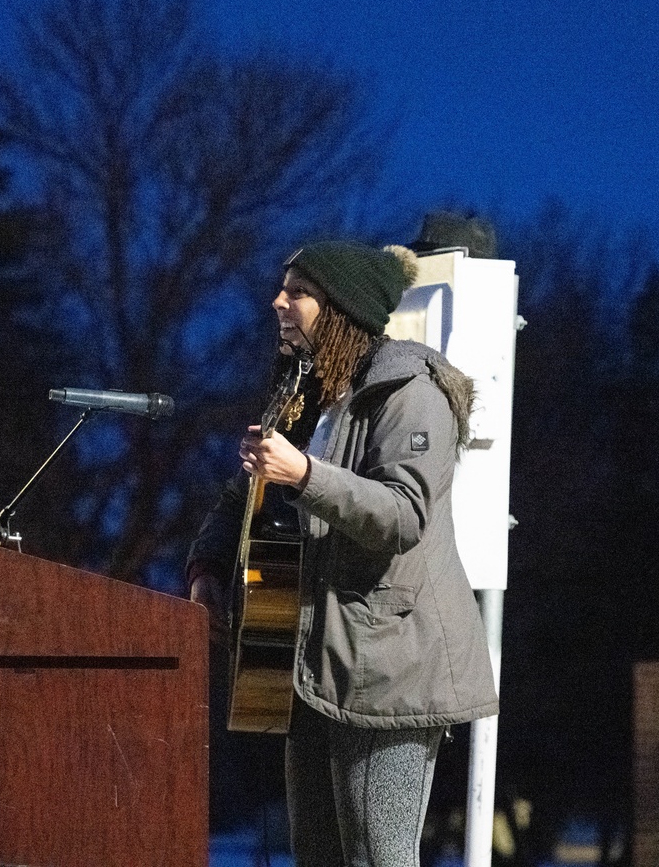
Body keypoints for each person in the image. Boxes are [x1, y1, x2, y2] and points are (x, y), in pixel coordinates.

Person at [187, 240, 499, 867]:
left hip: (388, 665)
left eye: (298, 292)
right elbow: (245, 489)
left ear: (342, 312)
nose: (278, 301)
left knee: (378, 857)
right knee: (319, 856)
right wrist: (208, 565)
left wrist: (303, 474)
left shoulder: (413, 392)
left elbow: (403, 514)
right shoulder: (307, 390)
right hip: (312, 662)